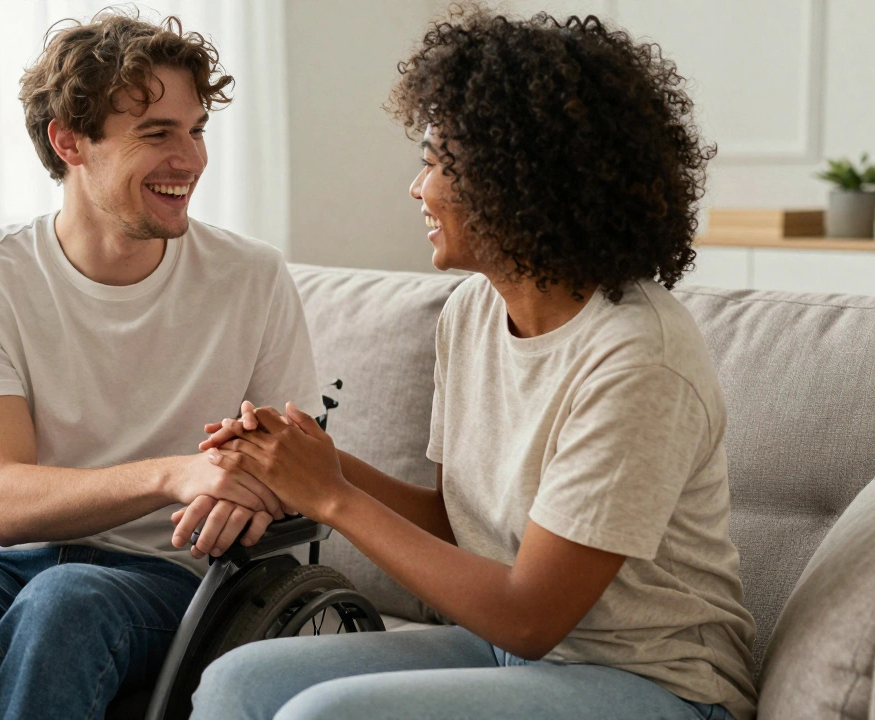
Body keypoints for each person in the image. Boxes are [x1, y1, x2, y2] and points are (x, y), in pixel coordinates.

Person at [184, 7, 758, 720]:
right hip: (508, 653)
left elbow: (530, 616)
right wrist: (309, 462)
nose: (416, 190)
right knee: (237, 682)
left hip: (655, 683)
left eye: (431, 163)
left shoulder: (637, 360)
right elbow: (462, 525)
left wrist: (332, 498)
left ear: (514, 177)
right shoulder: (473, 312)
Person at [0, 10, 323, 719]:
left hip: (175, 580)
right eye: (157, 133)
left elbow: (296, 467)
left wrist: (255, 483)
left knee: (65, 601)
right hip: (8, 567)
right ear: (70, 142)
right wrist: (173, 473)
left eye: (196, 129)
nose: (191, 158)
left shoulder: (251, 277)